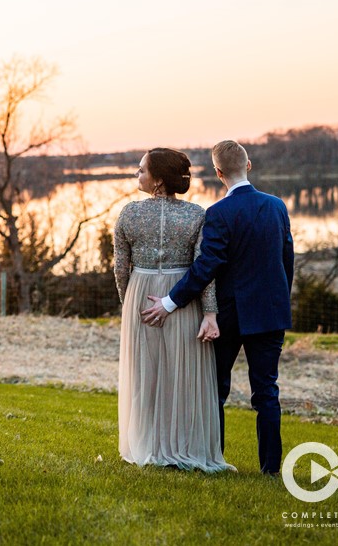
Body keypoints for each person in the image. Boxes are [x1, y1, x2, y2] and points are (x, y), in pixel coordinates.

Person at [141, 140, 293, 475]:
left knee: (216, 390)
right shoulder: (277, 207)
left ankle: (216, 459)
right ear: (248, 165)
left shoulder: (218, 213)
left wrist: (168, 302)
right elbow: (286, 261)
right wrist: (280, 299)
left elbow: (205, 267)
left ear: (218, 172)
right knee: (267, 392)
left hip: (230, 315)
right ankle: (270, 470)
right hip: (270, 313)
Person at [114, 147, 233, 473]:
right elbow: (203, 271)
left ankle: (149, 444)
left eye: (141, 170)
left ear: (157, 180)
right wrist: (210, 312)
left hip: (142, 293)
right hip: (183, 295)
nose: (137, 175)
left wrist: (129, 305)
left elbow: (121, 269)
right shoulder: (197, 214)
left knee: (146, 376)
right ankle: (185, 446)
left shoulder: (129, 214)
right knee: (182, 374)